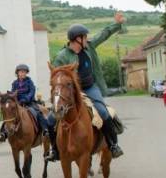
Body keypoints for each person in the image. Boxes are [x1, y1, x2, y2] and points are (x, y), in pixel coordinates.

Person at [49, 11, 125, 159]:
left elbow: (103, 34)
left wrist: (117, 24)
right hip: (71, 93)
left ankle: (113, 145)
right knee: (51, 119)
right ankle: (54, 150)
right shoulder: (61, 57)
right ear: (78, 39)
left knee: (103, 113)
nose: (87, 39)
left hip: (90, 88)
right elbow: (56, 77)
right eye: (85, 36)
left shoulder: (89, 47)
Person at [0, 64, 50, 142]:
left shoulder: (30, 82)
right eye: (21, 72)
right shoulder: (15, 83)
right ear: (17, 73)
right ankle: (3, 133)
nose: (22, 74)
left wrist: (25, 99)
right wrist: (9, 96)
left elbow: (32, 92)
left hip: (29, 102)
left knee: (38, 112)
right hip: (18, 103)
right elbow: (13, 93)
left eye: (24, 72)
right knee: (9, 115)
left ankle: (45, 129)